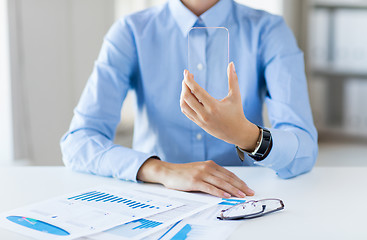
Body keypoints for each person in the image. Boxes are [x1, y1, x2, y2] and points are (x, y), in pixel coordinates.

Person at [60, 0, 318, 199]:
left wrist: (245, 135)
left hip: (244, 198)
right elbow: (78, 143)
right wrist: (162, 171)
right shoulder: (130, 31)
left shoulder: (270, 31)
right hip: (154, 199)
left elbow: (304, 151)